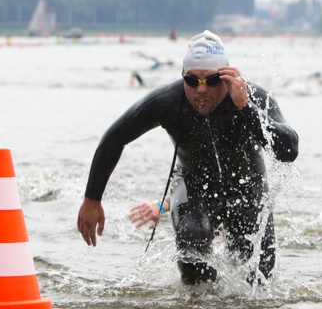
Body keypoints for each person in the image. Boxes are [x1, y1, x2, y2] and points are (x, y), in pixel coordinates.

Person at [77, 30, 299, 284]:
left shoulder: (253, 97)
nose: (201, 90)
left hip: (248, 186)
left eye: (212, 80)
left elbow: (289, 150)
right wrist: (92, 199)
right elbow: (115, 137)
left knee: (258, 276)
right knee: (192, 246)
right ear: (183, 76)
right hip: (193, 184)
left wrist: (245, 108)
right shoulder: (168, 101)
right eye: (192, 81)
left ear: (227, 76)